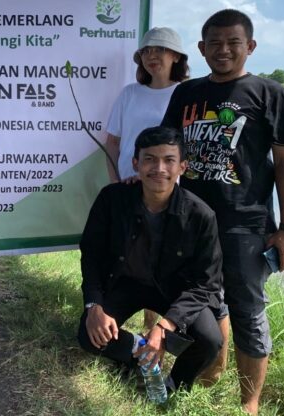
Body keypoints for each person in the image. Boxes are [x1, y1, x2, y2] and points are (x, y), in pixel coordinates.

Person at [161, 8, 284, 414]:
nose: (223, 51)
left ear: (250, 47)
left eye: (233, 43)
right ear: (202, 49)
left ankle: (249, 405)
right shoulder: (185, 94)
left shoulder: (268, 93)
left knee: (247, 310)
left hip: (246, 223)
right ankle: (210, 373)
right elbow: (170, 152)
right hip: (191, 221)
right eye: (215, 44)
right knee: (203, 301)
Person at [78, 126, 223, 393]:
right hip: (124, 282)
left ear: (182, 166)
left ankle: (173, 385)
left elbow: (205, 284)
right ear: (136, 163)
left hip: (173, 290)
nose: (159, 168)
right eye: (149, 159)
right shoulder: (112, 199)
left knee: (210, 341)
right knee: (90, 336)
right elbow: (92, 255)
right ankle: (137, 352)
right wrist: (94, 304)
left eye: (169, 160)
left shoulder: (201, 215)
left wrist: (165, 327)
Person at [105, 26, 190, 332]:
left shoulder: (187, 93)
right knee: (127, 254)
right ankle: (113, 321)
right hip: (130, 187)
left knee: (165, 258)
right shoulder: (130, 93)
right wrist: (116, 180)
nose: (152, 57)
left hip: (172, 192)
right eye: (147, 51)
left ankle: (158, 327)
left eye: (160, 50)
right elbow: (111, 142)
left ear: (176, 56)